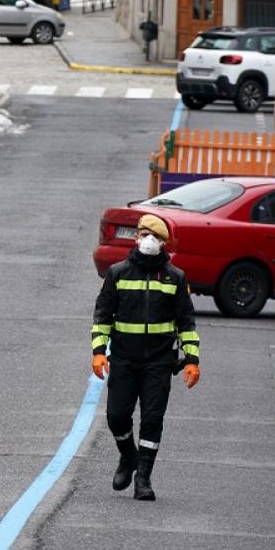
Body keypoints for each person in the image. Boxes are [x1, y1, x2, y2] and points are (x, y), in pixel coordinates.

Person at [91, 213, 200, 500]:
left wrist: (192, 359)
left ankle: (144, 478)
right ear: (136, 237)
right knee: (116, 417)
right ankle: (128, 455)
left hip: (159, 362)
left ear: (165, 244)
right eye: (144, 234)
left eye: (157, 237)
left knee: (152, 419)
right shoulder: (118, 273)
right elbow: (103, 316)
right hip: (124, 359)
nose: (150, 240)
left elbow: (186, 323)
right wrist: (99, 352)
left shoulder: (175, 278)